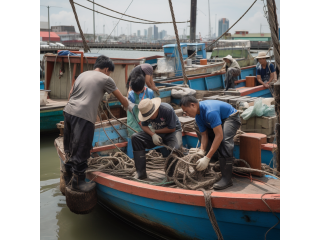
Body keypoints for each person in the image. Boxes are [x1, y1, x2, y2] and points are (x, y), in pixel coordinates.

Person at [63, 55, 134, 193]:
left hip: (68, 112)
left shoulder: (82, 75)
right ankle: (78, 182)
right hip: (83, 116)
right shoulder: (106, 79)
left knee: (71, 147)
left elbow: (70, 94)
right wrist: (131, 107)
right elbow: (122, 100)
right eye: (110, 72)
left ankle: (68, 176)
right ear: (107, 69)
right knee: (83, 148)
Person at [180, 95, 241, 190]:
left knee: (224, 140)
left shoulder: (210, 112)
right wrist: (202, 151)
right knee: (197, 126)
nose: (186, 114)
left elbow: (219, 136)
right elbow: (204, 135)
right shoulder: (198, 117)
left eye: (186, 111)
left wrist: (207, 158)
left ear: (193, 105)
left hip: (231, 117)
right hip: (219, 119)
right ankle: (216, 158)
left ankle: (227, 179)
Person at [131, 98, 182, 179]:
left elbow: (172, 128)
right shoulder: (146, 111)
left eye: (150, 116)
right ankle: (141, 173)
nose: (149, 118)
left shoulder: (167, 109)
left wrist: (155, 131)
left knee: (175, 148)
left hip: (172, 132)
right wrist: (152, 134)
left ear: (156, 110)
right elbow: (144, 126)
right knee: (136, 138)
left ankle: (171, 175)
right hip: (156, 132)